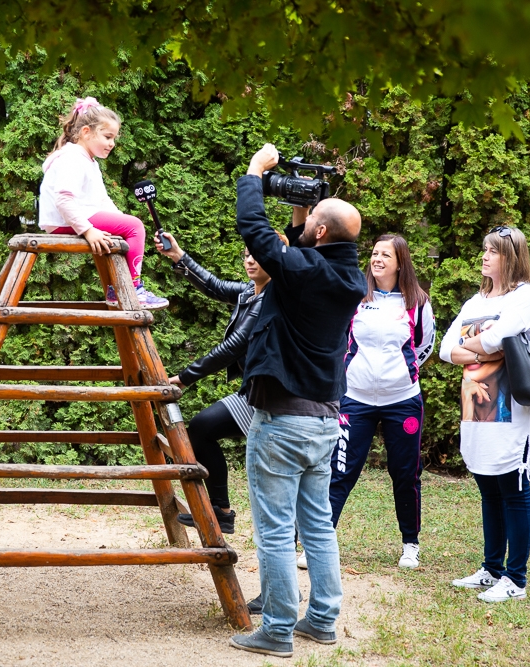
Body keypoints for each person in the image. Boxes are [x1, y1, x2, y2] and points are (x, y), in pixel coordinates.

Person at [228, 144, 368, 658]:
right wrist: (300, 208)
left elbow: (255, 230)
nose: (304, 228)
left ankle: (278, 629)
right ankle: (322, 620)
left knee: (274, 531)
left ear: (322, 232)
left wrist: (254, 173)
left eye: (311, 223)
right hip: (323, 422)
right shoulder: (347, 276)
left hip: (282, 424)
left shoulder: (305, 271)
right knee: (317, 527)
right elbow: (301, 249)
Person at [153, 231, 284, 535]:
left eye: (258, 255)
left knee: (275, 475)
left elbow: (234, 346)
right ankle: (221, 511)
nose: (250, 260)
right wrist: (179, 256)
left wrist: (185, 377)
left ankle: (289, 535)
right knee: (201, 429)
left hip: (274, 397)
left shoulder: (273, 298)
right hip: (252, 391)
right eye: (247, 254)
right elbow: (214, 285)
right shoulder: (250, 291)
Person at [438, 225, 530, 603]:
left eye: (492, 251)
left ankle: (515, 579)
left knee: (513, 489)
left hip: (512, 410)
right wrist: (485, 349)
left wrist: (474, 346)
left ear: (510, 257)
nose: (484, 256)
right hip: (477, 408)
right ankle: (492, 569)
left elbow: (501, 338)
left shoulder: (524, 295)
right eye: (484, 249)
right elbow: (446, 349)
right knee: (488, 488)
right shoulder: (475, 302)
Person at [322, 233, 436, 571]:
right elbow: (339, 338)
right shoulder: (356, 296)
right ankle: (320, 542)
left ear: (400, 262)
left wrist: (405, 373)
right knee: (339, 470)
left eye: (386, 255)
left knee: (405, 474)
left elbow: (424, 345)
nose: (377, 259)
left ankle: (410, 544)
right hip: (355, 399)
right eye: (374, 253)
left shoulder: (417, 302)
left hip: (402, 401)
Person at [38, 96, 168, 309]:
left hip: (74, 217)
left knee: (128, 226)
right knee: (135, 226)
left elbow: (102, 201)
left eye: (114, 138)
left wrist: (121, 220)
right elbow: (63, 200)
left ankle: (116, 289)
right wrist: (88, 230)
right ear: (86, 132)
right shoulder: (72, 158)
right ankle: (132, 288)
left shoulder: (88, 161)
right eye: (107, 137)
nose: (112, 143)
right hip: (65, 220)